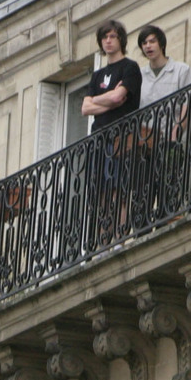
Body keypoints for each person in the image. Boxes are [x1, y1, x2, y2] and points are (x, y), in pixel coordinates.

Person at [78, 19, 141, 241]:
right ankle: (104, 239)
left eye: (112, 36)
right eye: (104, 37)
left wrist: (103, 100)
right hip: (99, 138)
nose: (108, 41)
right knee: (101, 192)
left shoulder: (130, 68)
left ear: (121, 39)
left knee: (119, 188)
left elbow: (119, 97)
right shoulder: (97, 75)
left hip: (121, 137)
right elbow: (85, 108)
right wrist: (108, 100)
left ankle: (119, 237)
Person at [136, 25, 191, 226]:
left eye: (152, 41)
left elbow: (187, 102)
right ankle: (142, 228)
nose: (148, 46)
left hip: (171, 137)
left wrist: (176, 132)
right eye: (144, 43)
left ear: (161, 43)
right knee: (144, 186)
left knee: (168, 183)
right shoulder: (140, 76)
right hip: (146, 140)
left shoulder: (180, 70)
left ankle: (165, 221)